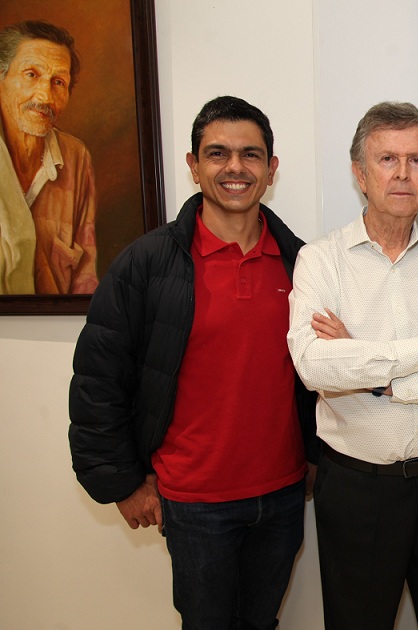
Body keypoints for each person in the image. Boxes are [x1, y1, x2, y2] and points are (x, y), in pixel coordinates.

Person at [69, 95, 317, 629]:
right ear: (193, 165)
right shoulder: (149, 263)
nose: (235, 168)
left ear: (271, 169)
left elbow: (318, 376)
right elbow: (99, 380)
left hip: (281, 494)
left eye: (251, 155)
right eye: (218, 154)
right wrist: (122, 483)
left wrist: (316, 458)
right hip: (193, 502)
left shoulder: (305, 264)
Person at [288, 101, 418, 630]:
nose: (402, 173)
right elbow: (315, 367)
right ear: (359, 173)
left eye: (416, 160)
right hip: (357, 490)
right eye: (386, 159)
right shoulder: (320, 260)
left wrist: (377, 379)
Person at [0, 20, 97, 294]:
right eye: (31, 74)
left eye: (58, 82)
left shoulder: (76, 157)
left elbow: (85, 272)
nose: (44, 96)